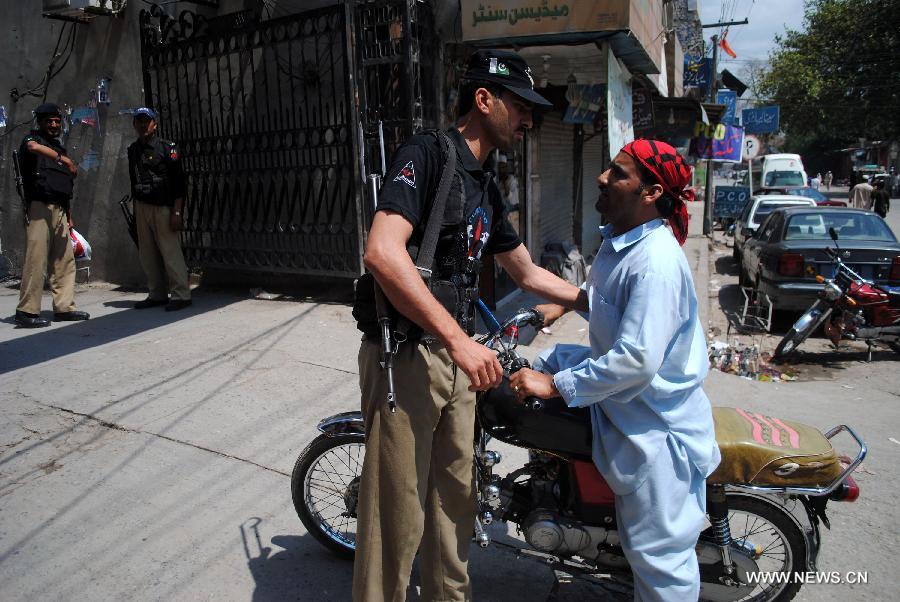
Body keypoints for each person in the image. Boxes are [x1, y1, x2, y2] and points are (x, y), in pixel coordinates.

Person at [351, 49, 586, 602]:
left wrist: (598, 300)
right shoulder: (427, 154)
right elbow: (383, 254)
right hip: (409, 357)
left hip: (459, 360)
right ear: (484, 100)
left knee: (455, 503)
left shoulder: (485, 182)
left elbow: (525, 271)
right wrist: (456, 340)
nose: (529, 120)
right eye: (520, 107)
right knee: (397, 514)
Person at [510, 139, 721, 601]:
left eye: (619, 173)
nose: (604, 178)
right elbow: (604, 300)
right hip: (625, 405)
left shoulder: (656, 263)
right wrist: (560, 307)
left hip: (654, 427)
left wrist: (556, 386)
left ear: (650, 192)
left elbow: (635, 361)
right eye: (607, 168)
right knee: (555, 358)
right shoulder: (619, 242)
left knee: (659, 563)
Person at [14, 102, 90, 328]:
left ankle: (64, 307)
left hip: (60, 210)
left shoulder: (59, 148)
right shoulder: (32, 140)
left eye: (57, 121)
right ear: (41, 122)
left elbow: (63, 187)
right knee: (36, 259)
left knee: (64, 261)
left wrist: (69, 215)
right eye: (50, 121)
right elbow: (33, 148)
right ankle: (26, 310)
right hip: (39, 207)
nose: (54, 125)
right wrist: (63, 159)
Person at [127, 107, 192, 311]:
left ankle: (181, 294)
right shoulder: (133, 150)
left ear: (155, 124)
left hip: (164, 206)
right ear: (134, 125)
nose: (143, 125)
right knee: (147, 253)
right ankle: (157, 294)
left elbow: (179, 182)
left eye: (147, 121)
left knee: (170, 251)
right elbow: (134, 179)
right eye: (139, 121)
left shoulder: (167, 148)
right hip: (142, 206)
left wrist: (177, 212)